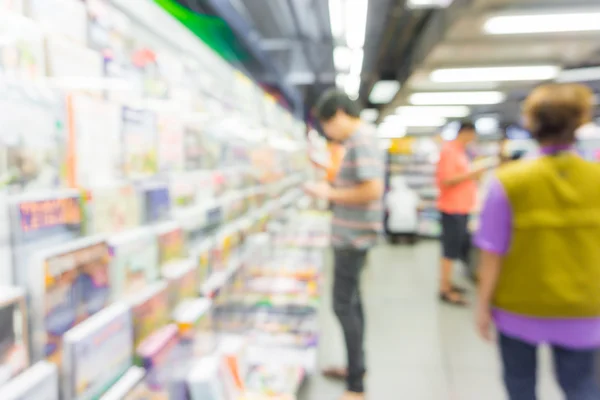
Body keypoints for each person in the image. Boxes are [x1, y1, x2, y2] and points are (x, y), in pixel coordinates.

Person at [474, 83, 600, 399]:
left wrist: (482, 305)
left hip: (519, 308)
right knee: (582, 386)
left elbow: (492, 254)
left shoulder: (507, 182)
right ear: (580, 122)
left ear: (531, 123)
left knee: (520, 385)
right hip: (584, 307)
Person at [304, 89, 384, 400]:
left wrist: (328, 194)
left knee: (342, 305)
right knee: (353, 303)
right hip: (355, 235)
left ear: (338, 114)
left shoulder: (361, 140)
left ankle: (356, 387)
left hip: (353, 237)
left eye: (327, 126)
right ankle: (356, 367)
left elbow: (372, 189)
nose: (329, 134)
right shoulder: (362, 139)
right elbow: (359, 182)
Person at [436, 121, 487, 305]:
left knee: (456, 247)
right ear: (465, 133)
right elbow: (446, 180)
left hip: (462, 207)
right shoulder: (450, 151)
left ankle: (449, 283)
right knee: (449, 249)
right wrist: (472, 175)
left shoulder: (461, 151)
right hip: (452, 207)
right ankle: (444, 289)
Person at [386, 176, 419, 244]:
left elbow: (387, 208)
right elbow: (417, 206)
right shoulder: (411, 193)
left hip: (394, 225)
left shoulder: (390, 195)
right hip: (411, 224)